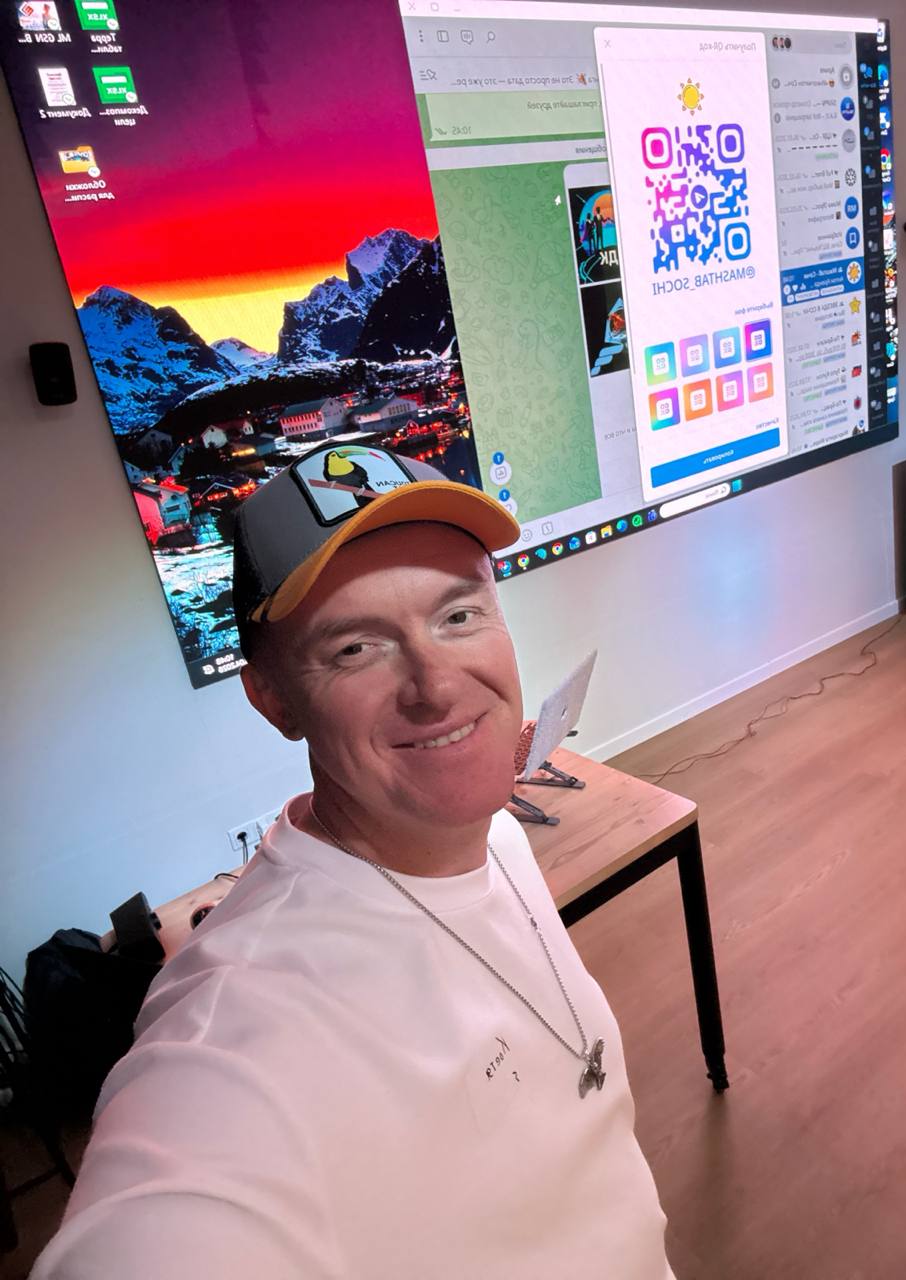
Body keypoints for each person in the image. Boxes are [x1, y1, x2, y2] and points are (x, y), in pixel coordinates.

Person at [32, 443, 676, 1279]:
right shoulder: (237, 1036)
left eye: (458, 615)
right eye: (354, 649)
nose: (436, 685)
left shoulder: (495, 839)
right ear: (273, 700)